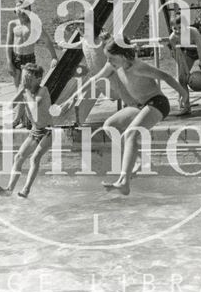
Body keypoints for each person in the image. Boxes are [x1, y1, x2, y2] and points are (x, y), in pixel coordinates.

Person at [61, 36, 189, 196]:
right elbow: (94, 79)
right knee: (110, 126)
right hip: (140, 106)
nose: (109, 61)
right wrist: (72, 98)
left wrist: (183, 93)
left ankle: (124, 182)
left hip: (158, 103)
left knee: (131, 133)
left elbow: (166, 76)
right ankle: (138, 161)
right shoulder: (113, 65)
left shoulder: (138, 67)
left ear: (123, 55)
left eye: (111, 57)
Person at [0, 63, 53, 198]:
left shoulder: (43, 90)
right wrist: (22, 91)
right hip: (35, 131)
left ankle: (26, 190)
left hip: (49, 131)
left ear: (38, 79)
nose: (24, 80)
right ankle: (9, 189)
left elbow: (34, 106)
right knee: (19, 157)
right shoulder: (25, 91)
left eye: (28, 77)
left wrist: (25, 91)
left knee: (34, 158)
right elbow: (11, 106)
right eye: (23, 77)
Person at [7, 0, 59, 127]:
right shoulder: (12, 24)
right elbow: (8, 44)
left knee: (23, 90)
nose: (22, 12)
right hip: (16, 59)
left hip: (28, 60)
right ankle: (25, 120)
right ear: (16, 11)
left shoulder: (34, 25)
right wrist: (9, 62)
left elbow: (47, 40)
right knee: (18, 90)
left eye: (25, 9)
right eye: (19, 9)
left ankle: (16, 118)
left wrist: (54, 57)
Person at [168, 13, 201, 114]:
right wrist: (185, 71)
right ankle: (186, 106)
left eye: (180, 27)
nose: (178, 31)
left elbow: (200, 53)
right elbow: (180, 55)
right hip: (189, 52)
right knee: (181, 78)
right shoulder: (172, 38)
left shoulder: (194, 32)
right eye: (174, 28)